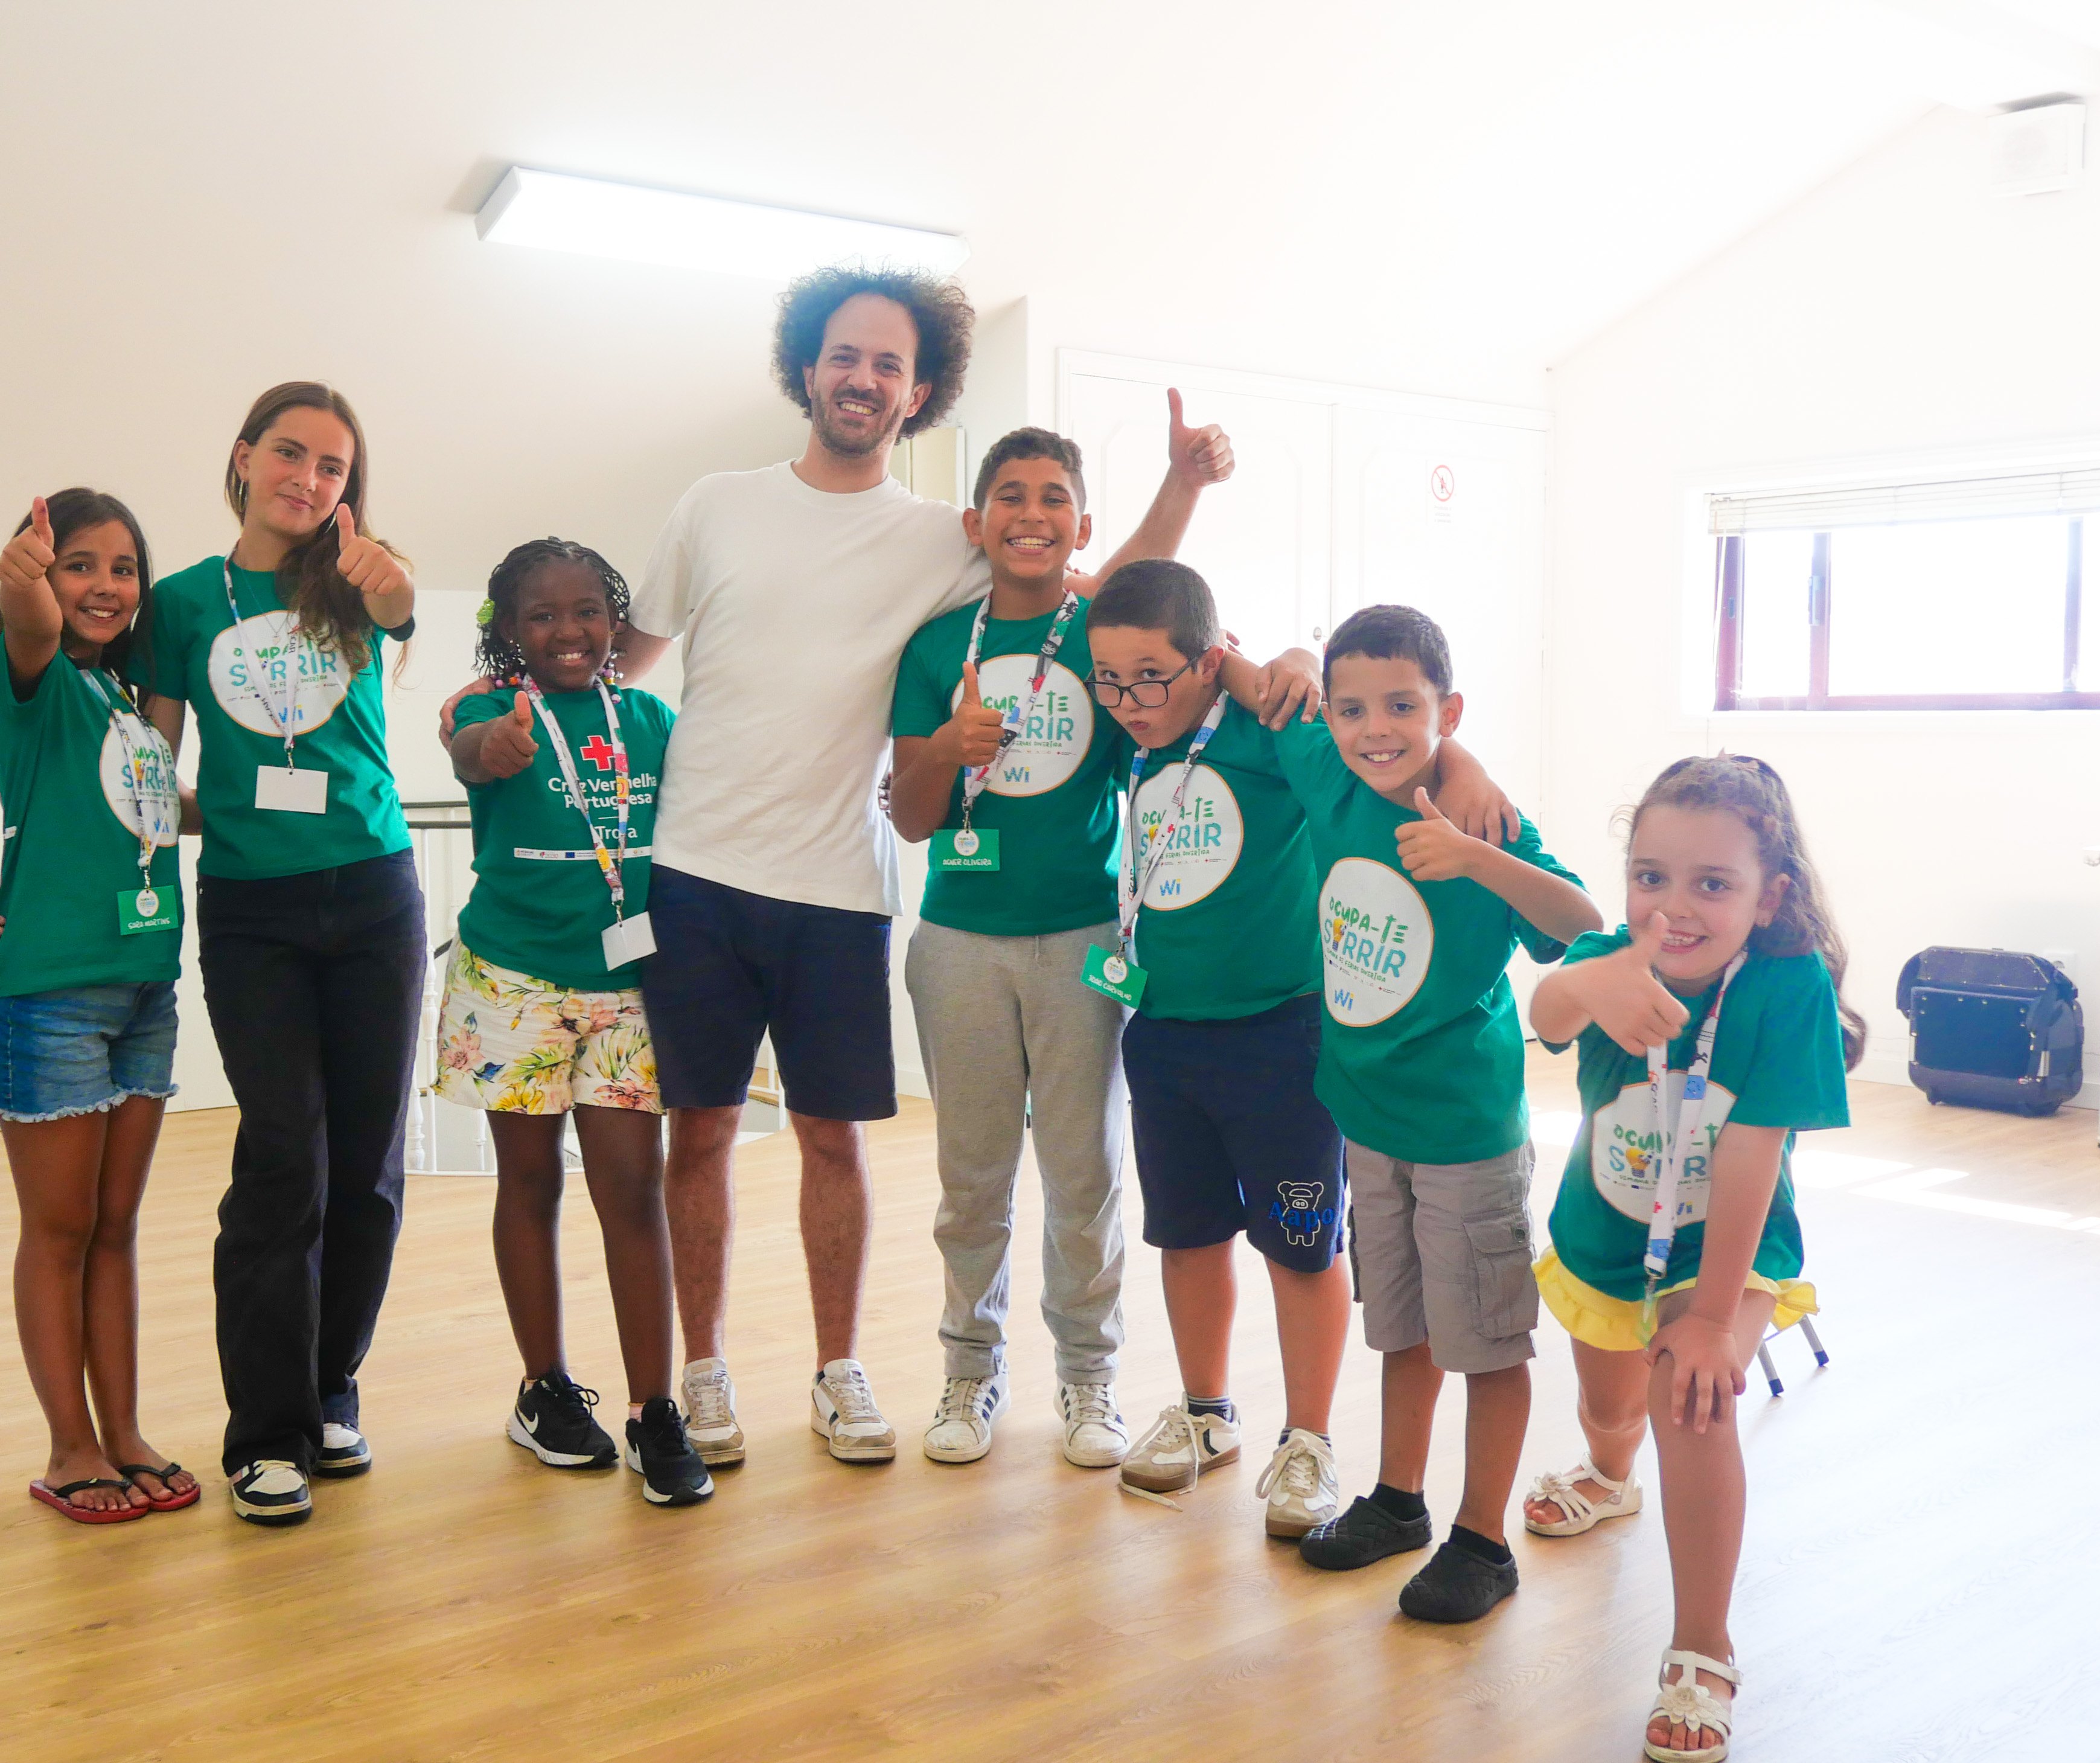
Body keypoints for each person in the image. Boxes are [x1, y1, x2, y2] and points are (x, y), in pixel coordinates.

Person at [595, 266, 1262, 1468]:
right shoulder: (716, 505)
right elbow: (615, 663)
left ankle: (843, 1372)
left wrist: (1186, 501)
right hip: (697, 875)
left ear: (918, 392)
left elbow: (1107, 593)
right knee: (701, 1136)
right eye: (846, 356)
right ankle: (706, 1374)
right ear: (808, 367)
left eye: (890, 364)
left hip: (842, 891)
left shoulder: (939, 540)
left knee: (841, 1144)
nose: (864, 378)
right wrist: (505, 691)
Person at [884, 428, 1316, 1470]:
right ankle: (970, 1371)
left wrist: (1286, 659)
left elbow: (1179, 634)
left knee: (1086, 1179)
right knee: (971, 1181)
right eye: (1010, 495)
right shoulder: (936, 647)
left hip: (1087, 941)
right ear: (975, 520)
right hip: (959, 941)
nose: (1031, 514)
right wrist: (945, 748)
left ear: (1081, 526)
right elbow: (911, 817)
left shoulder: (1099, 636)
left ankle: (1091, 1380)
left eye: (1054, 498)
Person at [1084, 565, 1513, 1540]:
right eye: (1111, 682)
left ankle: (1308, 1438)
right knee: (1186, 1235)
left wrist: (1464, 765)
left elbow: (1385, 741)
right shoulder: (1129, 738)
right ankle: (1206, 1412)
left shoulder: (1269, 729)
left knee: (1300, 1243)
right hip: (1163, 1032)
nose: (1130, 700)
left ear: (1209, 660)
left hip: (1282, 1035)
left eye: (1151, 678)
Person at [1520, 755, 1860, 1763]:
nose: (1675, 907)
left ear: (1769, 898)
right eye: (1651, 877)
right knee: (1611, 1408)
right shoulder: (1609, 956)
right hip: (1607, 1233)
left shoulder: (1786, 988)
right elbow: (1545, 1019)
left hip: (1727, 1248)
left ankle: (1703, 1647)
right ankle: (1608, 1472)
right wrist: (1583, 980)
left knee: (1691, 1399)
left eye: (1713, 884)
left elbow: (1754, 1150)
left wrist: (1712, 1319)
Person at [1275, 605, 1598, 1627]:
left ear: (1447, 712)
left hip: (1465, 1134)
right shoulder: (1327, 775)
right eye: (1352, 709)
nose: (1375, 728)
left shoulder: (1488, 822)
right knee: (1402, 1329)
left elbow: (1584, 925)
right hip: (1370, 1123)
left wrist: (1478, 856)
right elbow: (1245, 674)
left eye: (1403, 708)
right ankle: (1399, 1500)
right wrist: (1290, 656)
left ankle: (1483, 1541)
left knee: (1487, 1345)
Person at [139, 382, 420, 1526]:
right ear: (245, 457)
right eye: (291, 454)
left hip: (377, 896)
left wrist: (390, 589)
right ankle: (263, 1432)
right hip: (252, 908)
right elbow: (152, 776)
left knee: (368, 1167)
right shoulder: (180, 602)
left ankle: (330, 1390)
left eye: (333, 467)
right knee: (283, 1160)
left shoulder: (358, 581)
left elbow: (401, 609)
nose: (309, 479)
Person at [436, 538, 712, 1506]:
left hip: (627, 990)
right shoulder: (490, 710)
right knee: (530, 1182)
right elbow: (469, 751)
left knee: (633, 1191)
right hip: (511, 982)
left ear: (615, 622)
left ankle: (652, 1410)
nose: (569, 631)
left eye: (588, 611)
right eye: (543, 616)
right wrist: (491, 748)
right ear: (510, 631)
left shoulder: (649, 719)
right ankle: (543, 1389)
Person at [0, 491, 196, 1523]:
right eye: (81, 565)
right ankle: (69, 1450)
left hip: (145, 990)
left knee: (115, 1229)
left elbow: (145, 815)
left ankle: (125, 1433)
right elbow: (29, 629)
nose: (106, 586)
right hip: (49, 999)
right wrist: (23, 583)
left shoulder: (124, 700)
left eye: (124, 568)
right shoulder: (35, 679)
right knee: (58, 1232)